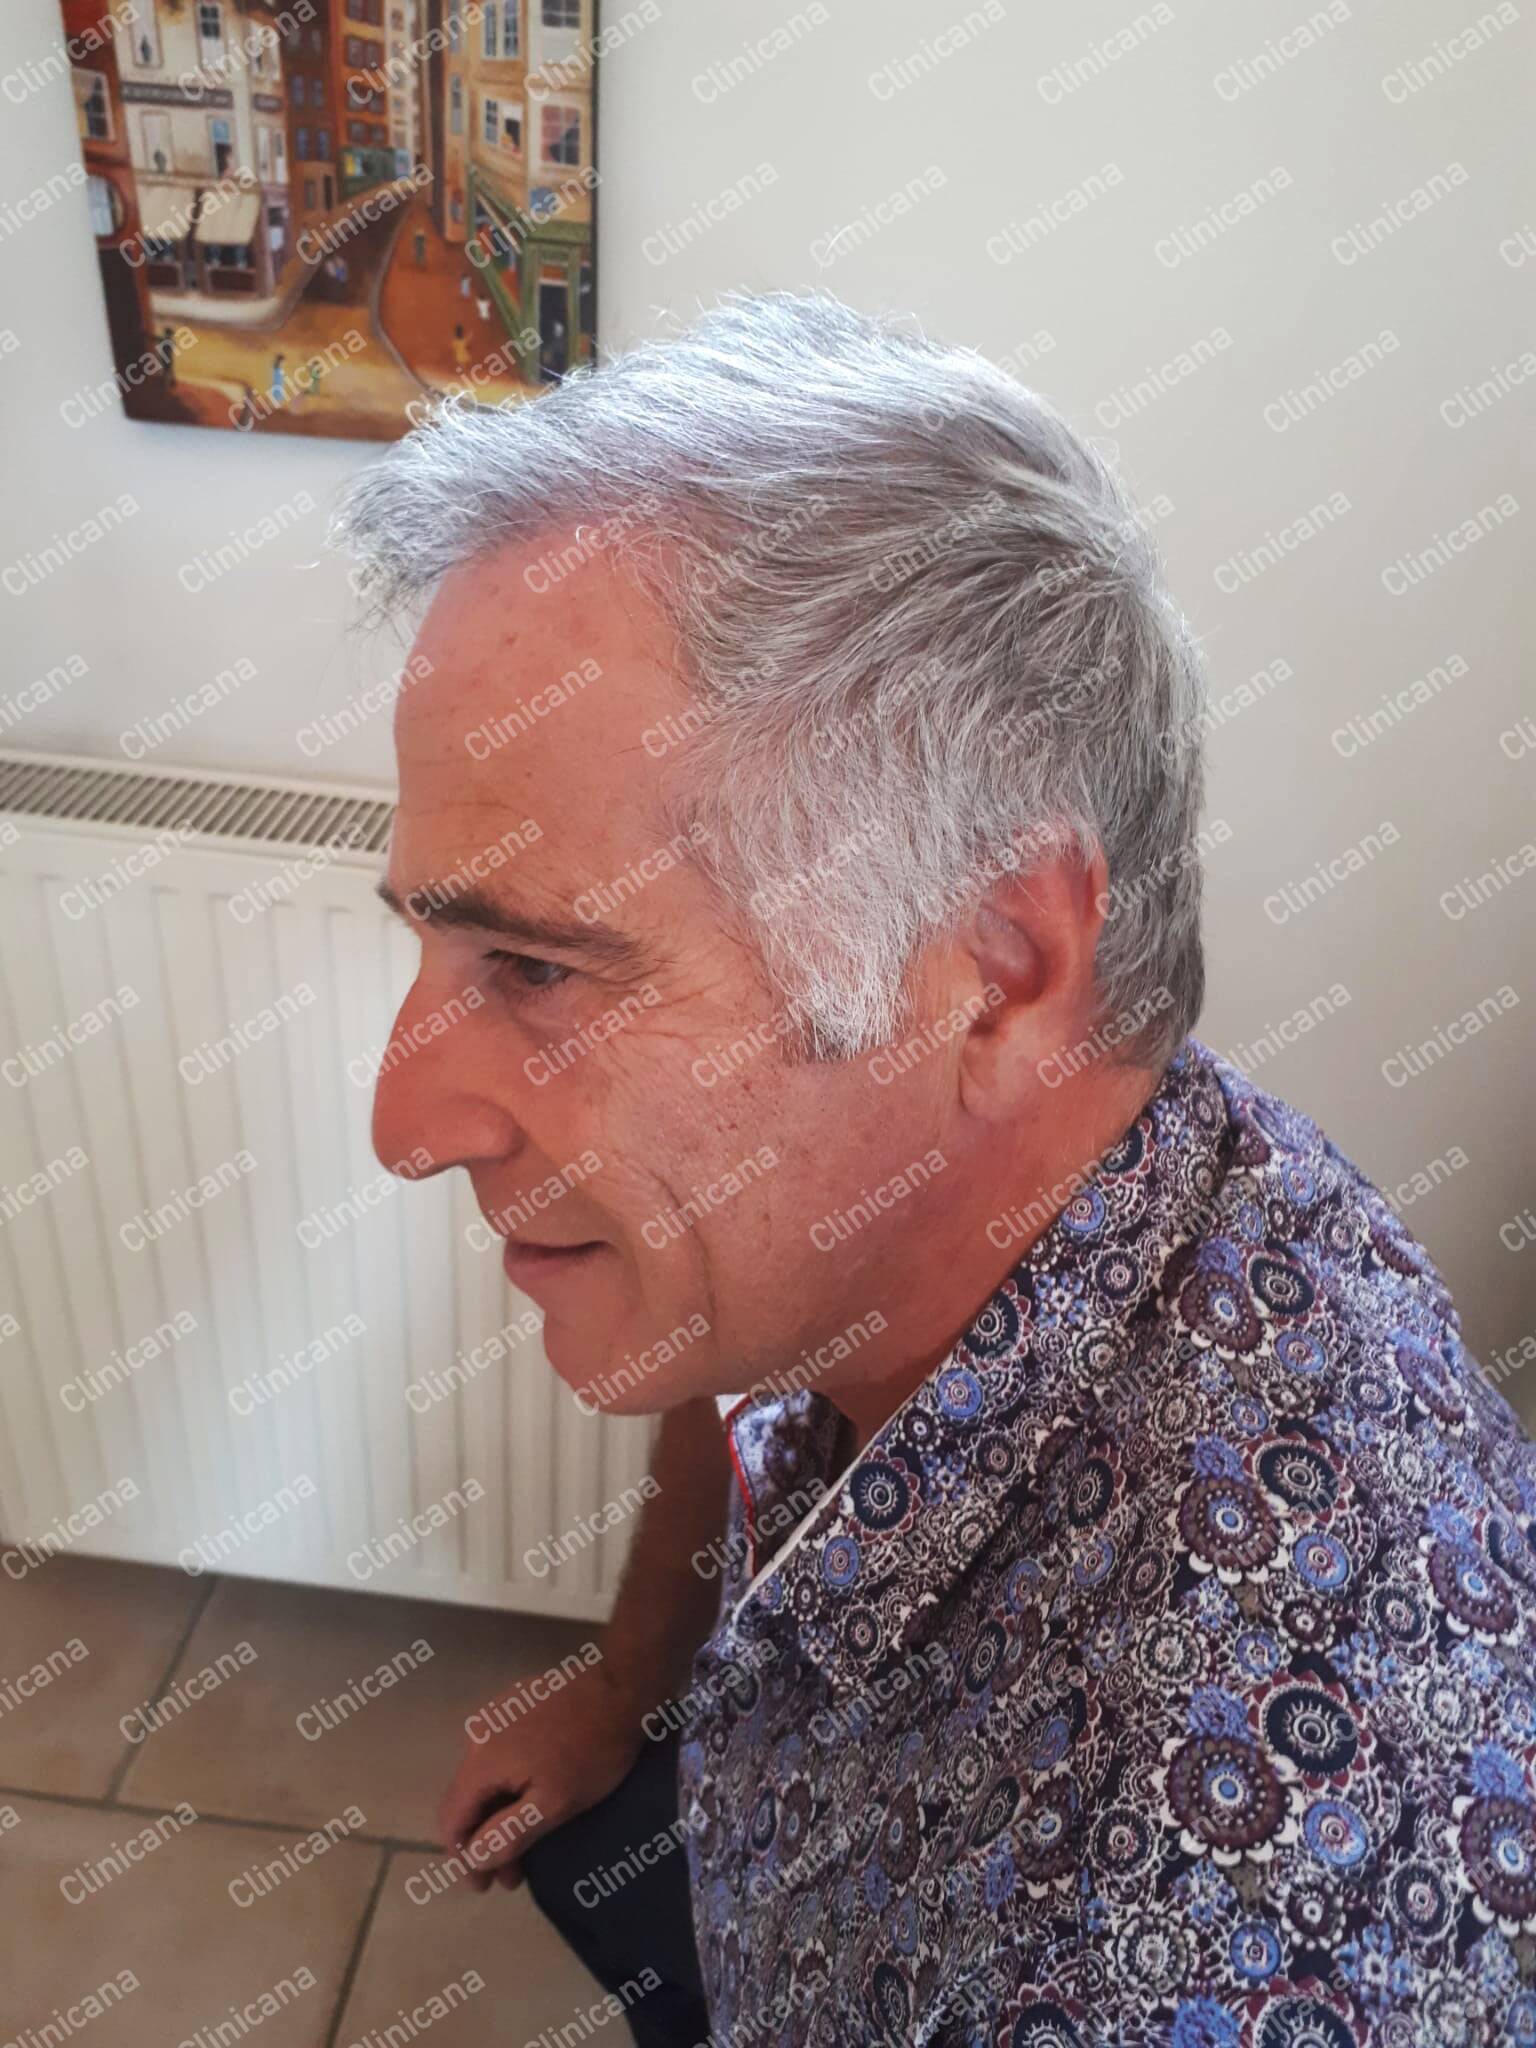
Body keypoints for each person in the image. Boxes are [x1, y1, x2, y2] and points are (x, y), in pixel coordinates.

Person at [332, 291, 1536, 2046]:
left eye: (534, 966)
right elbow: (745, 1383)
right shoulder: (943, 1202)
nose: (404, 1123)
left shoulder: (1183, 1934)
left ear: (999, 966)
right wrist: (629, 1688)